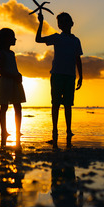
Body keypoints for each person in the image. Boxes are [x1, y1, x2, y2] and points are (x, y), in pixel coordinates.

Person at [35, 12, 83, 143]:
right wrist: (40, 23)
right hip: (57, 75)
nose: (64, 23)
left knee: (68, 104)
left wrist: (81, 76)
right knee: (55, 104)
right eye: (61, 22)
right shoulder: (57, 37)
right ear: (59, 25)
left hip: (70, 76)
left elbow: (77, 58)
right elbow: (38, 39)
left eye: (67, 21)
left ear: (72, 23)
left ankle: (68, 130)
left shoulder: (75, 40)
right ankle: (54, 130)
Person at [0, 28, 26, 142]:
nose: (15, 39)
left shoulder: (12, 53)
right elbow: (1, 71)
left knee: (18, 106)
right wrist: (14, 76)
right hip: (6, 82)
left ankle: (18, 130)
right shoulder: (2, 53)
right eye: (12, 37)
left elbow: (13, 68)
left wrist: (18, 75)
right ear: (6, 39)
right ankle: (4, 131)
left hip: (14, 81)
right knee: (4, 107)